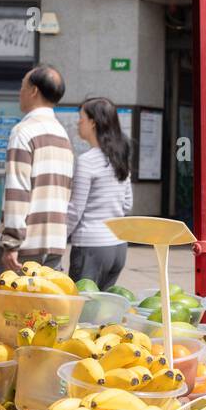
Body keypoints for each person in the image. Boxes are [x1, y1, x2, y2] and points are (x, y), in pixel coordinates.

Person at [0, 65, 74, 281]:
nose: (20, 92)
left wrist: (11, 243)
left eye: (22, 86)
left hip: (24, 246)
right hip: (54, 244)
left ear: (34, 91)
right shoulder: (63, 135)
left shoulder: (24, 132)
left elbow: (18, 189)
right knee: (42, 311)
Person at [66, 97, 134, 289]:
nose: (78, 123)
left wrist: (58, 238)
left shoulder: (87, 160)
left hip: (91, 247)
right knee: (101, 310)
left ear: (93, 122)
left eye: (81, 118)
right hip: (118, 247)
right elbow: (127, 204)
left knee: (81, 310)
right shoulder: (120, 157)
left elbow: (75, 210)